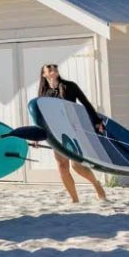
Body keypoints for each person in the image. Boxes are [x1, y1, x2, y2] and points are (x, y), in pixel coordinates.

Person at [37, 63, 107, 202]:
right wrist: (37, 135)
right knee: (62, 167)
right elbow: (41, 115)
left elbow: (86, 104)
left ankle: (96, 184)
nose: (53, 69)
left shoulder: (70, 86)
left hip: (73, 129)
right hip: (55, 132)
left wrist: (97, 121)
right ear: (44, 74)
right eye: (49, 68)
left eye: (55, 67)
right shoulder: (43, 93)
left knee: (77, 165)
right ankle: (74, 199)